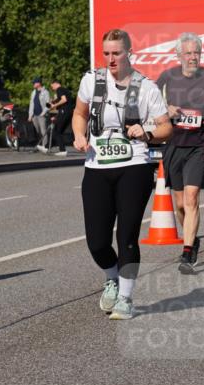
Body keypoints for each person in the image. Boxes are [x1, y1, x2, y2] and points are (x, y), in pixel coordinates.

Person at [72, 29, 173, 320]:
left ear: (129, 52)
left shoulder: (146, 87)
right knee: (97, 241)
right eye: (106, 53)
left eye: (116, 53)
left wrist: (148, 131)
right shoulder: (91, 80)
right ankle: (112, 277)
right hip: (97, 165)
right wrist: (80, 135)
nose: (111, 59)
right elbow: (79, 113)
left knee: (127, 235)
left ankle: (126, 298)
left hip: (134, 166)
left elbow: (166, 128)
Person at [157, 32, 204, 274]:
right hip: (174, 144)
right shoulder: (168, 77)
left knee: (191, 198)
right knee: (179, 205)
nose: (192, 57)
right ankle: (193, 238)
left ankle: (187, 252)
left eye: (196, 52)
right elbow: (151, 102)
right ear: (178, 55)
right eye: (187, 53)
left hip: (199, 144)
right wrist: (166, 108)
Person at [48, 79, 75, 156]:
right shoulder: (65, 90)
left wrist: (54, 106)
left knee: (56, 130)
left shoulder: (59, 89)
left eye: (52, 86)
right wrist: (53, 102)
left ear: (55, 83)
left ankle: (62, 150)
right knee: (59, 131)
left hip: (64, 112)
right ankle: (48, 146)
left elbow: (64, 100)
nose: (52, 88)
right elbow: (63, 100)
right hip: (69, 113)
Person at [29, 77, 51, 153]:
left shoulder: (45, 92)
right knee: (37, 131)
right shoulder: (33, 92)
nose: (33, 84)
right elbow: (31, 104)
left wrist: (43, 113)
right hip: (34, 115)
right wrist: (30, 115)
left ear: (38, 83)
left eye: (34, 83)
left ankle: (45, 147)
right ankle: (38, 146)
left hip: (42, 115)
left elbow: (48, 104)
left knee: (43, 131)